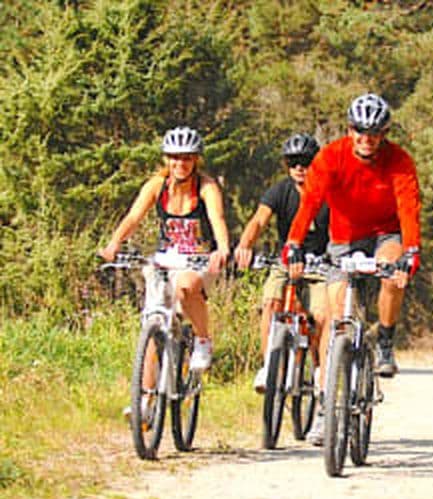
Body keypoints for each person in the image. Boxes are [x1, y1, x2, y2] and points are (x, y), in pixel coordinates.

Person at [284, 92, 421, 444]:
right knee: (334, 318)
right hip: (343, 239)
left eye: (374, 133)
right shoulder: (331, 157)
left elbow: (408, 207)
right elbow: (310, 202)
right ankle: (325, 406)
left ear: (384, 134)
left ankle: (386, 340)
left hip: (384, 235)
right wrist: (294, 243)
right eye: (360, 131)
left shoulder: (399, 160)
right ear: (349, 129)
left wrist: (411, 251)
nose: (366, 139)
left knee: (393, 272)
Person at [99, 126, 230, 371]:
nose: (181, 163)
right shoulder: (156, 186)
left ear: (196, 160)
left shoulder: (206, 187)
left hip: (199, 260)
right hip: (166, 258)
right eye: (175, 157)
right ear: (166, 159)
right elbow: (133, 217)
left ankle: (203, 340)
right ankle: (145, 401)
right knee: (153, 322)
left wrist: (222, 249)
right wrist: (114, 242)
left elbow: (218, 218)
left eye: (187, 158)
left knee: (186, 287)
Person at [234, 133, 329, 394]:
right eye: (293, 162)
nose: (300, 168)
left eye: (306, 161)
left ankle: (321, 367)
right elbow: (258, 221)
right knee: (271, 303)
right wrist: (245, 245)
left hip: (321, 265)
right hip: (286, 262)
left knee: (321, 315)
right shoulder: (280, 190)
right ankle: (268, 365)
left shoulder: (328, 192)